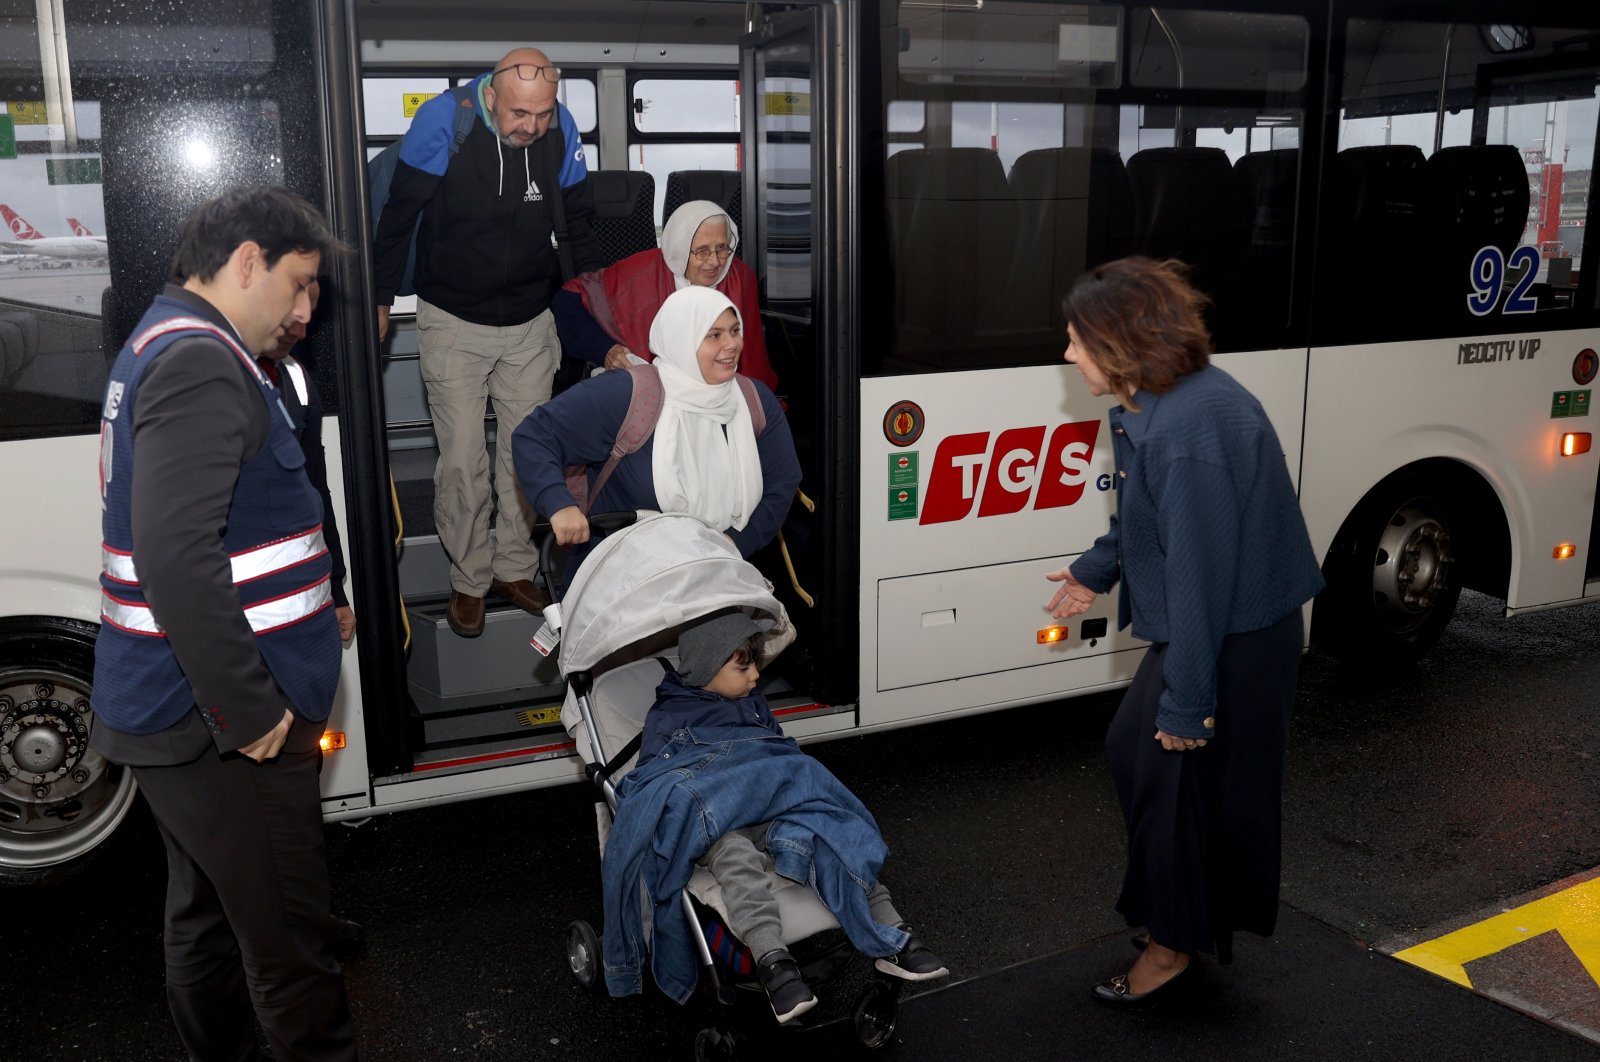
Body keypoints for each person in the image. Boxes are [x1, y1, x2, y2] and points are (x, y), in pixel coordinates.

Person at [91, 185, 356, 1060]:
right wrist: (253, 717)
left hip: (174, 711)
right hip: (219, 723)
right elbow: (176, 557)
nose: (307, 309)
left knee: (206, 918)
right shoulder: (204, 361)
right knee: (289, 948)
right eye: (301, 284)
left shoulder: (165, 339)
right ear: (248, 262)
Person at [1042, 257, 1324, 1006]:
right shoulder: (1171, 403)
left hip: (1235, 636)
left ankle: (1171, 946)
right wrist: (1094, 570)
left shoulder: (1186, 431)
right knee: (1142, 759)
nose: (1068, 355)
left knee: (1173, 778)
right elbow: (1154, 520)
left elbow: (1200, 578)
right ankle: (1180, 915)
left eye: (1076, 341)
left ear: (1118, 342)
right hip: (1228, 625)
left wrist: (1188, 706)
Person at [608, 610, 948, 1023]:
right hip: (721, 821)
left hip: (773, 809)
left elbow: (777, 752)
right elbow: (658, 779)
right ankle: (773, 961)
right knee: (736, 861)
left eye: (755, 664)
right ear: (704, 668)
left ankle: (893, 936)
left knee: (831, 834)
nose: (755, 676)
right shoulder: (670, 714)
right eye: (743, 666)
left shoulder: (752, 704)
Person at [373, 46, 604, 637]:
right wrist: (377, 299)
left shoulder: (560, 130)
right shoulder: (443, 121)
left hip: (530, 320)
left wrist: (594, 307)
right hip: (452, 317)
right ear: (492, 95)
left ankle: (515, 565)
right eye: (519, 115)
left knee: (525, 452)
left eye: (543, 114)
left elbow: (578, 223)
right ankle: (469, 579)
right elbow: (397, 217)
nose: (531, 127)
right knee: (462, 459)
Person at [513, 286, 799, 577]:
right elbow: (535, 435)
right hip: (618, 584)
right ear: (681, 340)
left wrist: (733, 543)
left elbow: (783, 482)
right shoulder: (628, 394)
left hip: (715, 577)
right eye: (714, 335)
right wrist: (559, 505)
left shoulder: (754, 400)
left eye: (735, 330)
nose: (732, 344)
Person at [551, 199, 780, 390]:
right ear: (679, 248)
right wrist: (605, 350)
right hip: (650, 390)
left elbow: (752, 361)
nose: (715, 262)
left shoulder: (741, 277)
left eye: (722, 248)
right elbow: (567, 300)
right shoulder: (639, 272)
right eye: (701, 251)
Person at [261, 279, 356, 643]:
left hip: (298, 598)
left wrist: (335, 591)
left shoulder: (297, 380)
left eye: (309, 317)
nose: (302, 330)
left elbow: (315, 490)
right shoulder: (209, 378)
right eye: (292, 316)